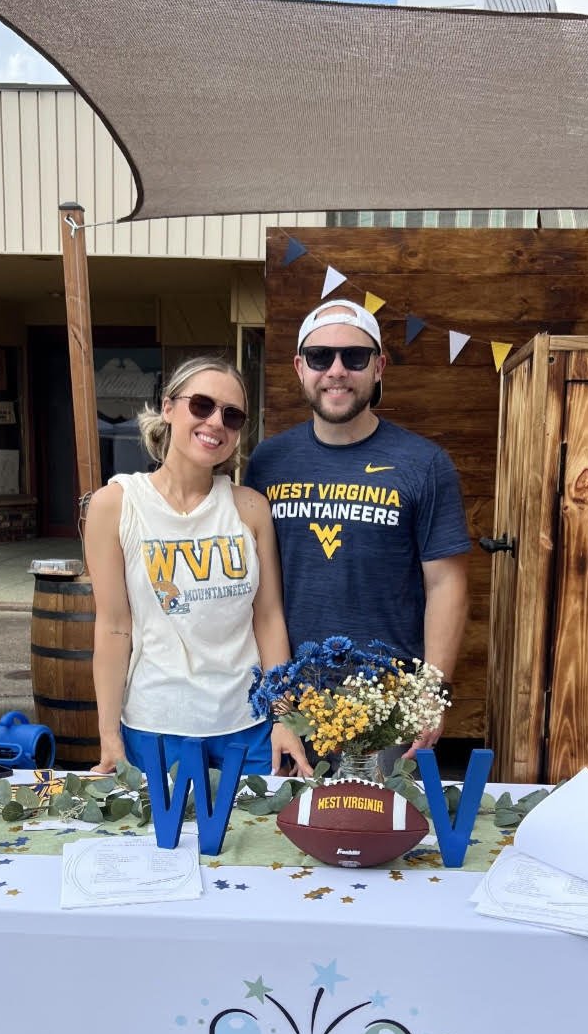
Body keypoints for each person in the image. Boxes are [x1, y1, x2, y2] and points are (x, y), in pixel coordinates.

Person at [244, 299, 471, 755]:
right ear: (299, 367)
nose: (336, 370)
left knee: (376, 823)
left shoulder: (424, 464)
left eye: (355, 356)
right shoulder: (268, 462)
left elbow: (447, 583)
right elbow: (259, 591)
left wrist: (430, 691)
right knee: (286, 823)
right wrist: (281, 704)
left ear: (379, 367)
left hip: (387, 703)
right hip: (294, 700)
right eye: (320, 356)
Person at [85, 356, 311, 778]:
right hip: (156, 724)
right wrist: (108, 735)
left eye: (232, 415)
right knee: (165, 842)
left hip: (249, 724)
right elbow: (114, 626)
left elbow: (268, 617)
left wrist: (283, 717)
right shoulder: (116, 505)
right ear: (168, 407)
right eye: (202, 405)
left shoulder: (250, 508)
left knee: (257, 837)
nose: (215, 423)